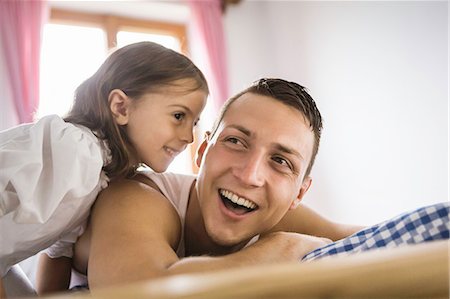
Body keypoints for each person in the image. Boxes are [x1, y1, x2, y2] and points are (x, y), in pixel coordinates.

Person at [69, 78, 363, 290]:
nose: (249, 176)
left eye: (281, 161)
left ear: (298, 193)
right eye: (235, 141)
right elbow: (138, 292)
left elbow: (374, 239)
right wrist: (278, 249)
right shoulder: (135, 196)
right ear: (201, 151)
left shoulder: (276, 212)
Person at [0, 41, 209, 297]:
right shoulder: (76, 150)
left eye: (195, 122)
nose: (189, 136)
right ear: (121, 107)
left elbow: (59, 250)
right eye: (178, 116)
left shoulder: (103, 176)